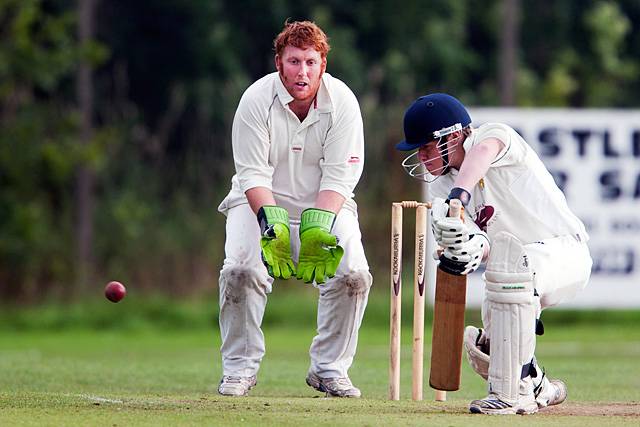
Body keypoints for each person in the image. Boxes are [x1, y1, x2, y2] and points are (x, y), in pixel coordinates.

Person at [396, 93, 592, 414]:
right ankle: (536, 382)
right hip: (517, 268)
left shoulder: (492, 135)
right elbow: (484, 243)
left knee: (511, 276)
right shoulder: (440, 186)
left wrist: (460, 196)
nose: (421, 157)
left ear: (454, 135)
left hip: (565, 252)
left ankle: (511, 394)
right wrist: (468, 247)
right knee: (488, 334)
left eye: (426, 147)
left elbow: (483, 153)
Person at [216, 20, 371, 398]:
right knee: (239, 270)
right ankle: (239, 369)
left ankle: (329, 369)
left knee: (354, 275)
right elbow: (252, 172)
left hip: (325, 204)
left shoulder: (343, 103)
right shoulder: (256, 100)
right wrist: (273, 223)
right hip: (258, 203)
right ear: (278, 63)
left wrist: (318, 225)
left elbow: (340, 176)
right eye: (294, 61)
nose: (302, 72)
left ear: (323, 65)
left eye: (311, 62)